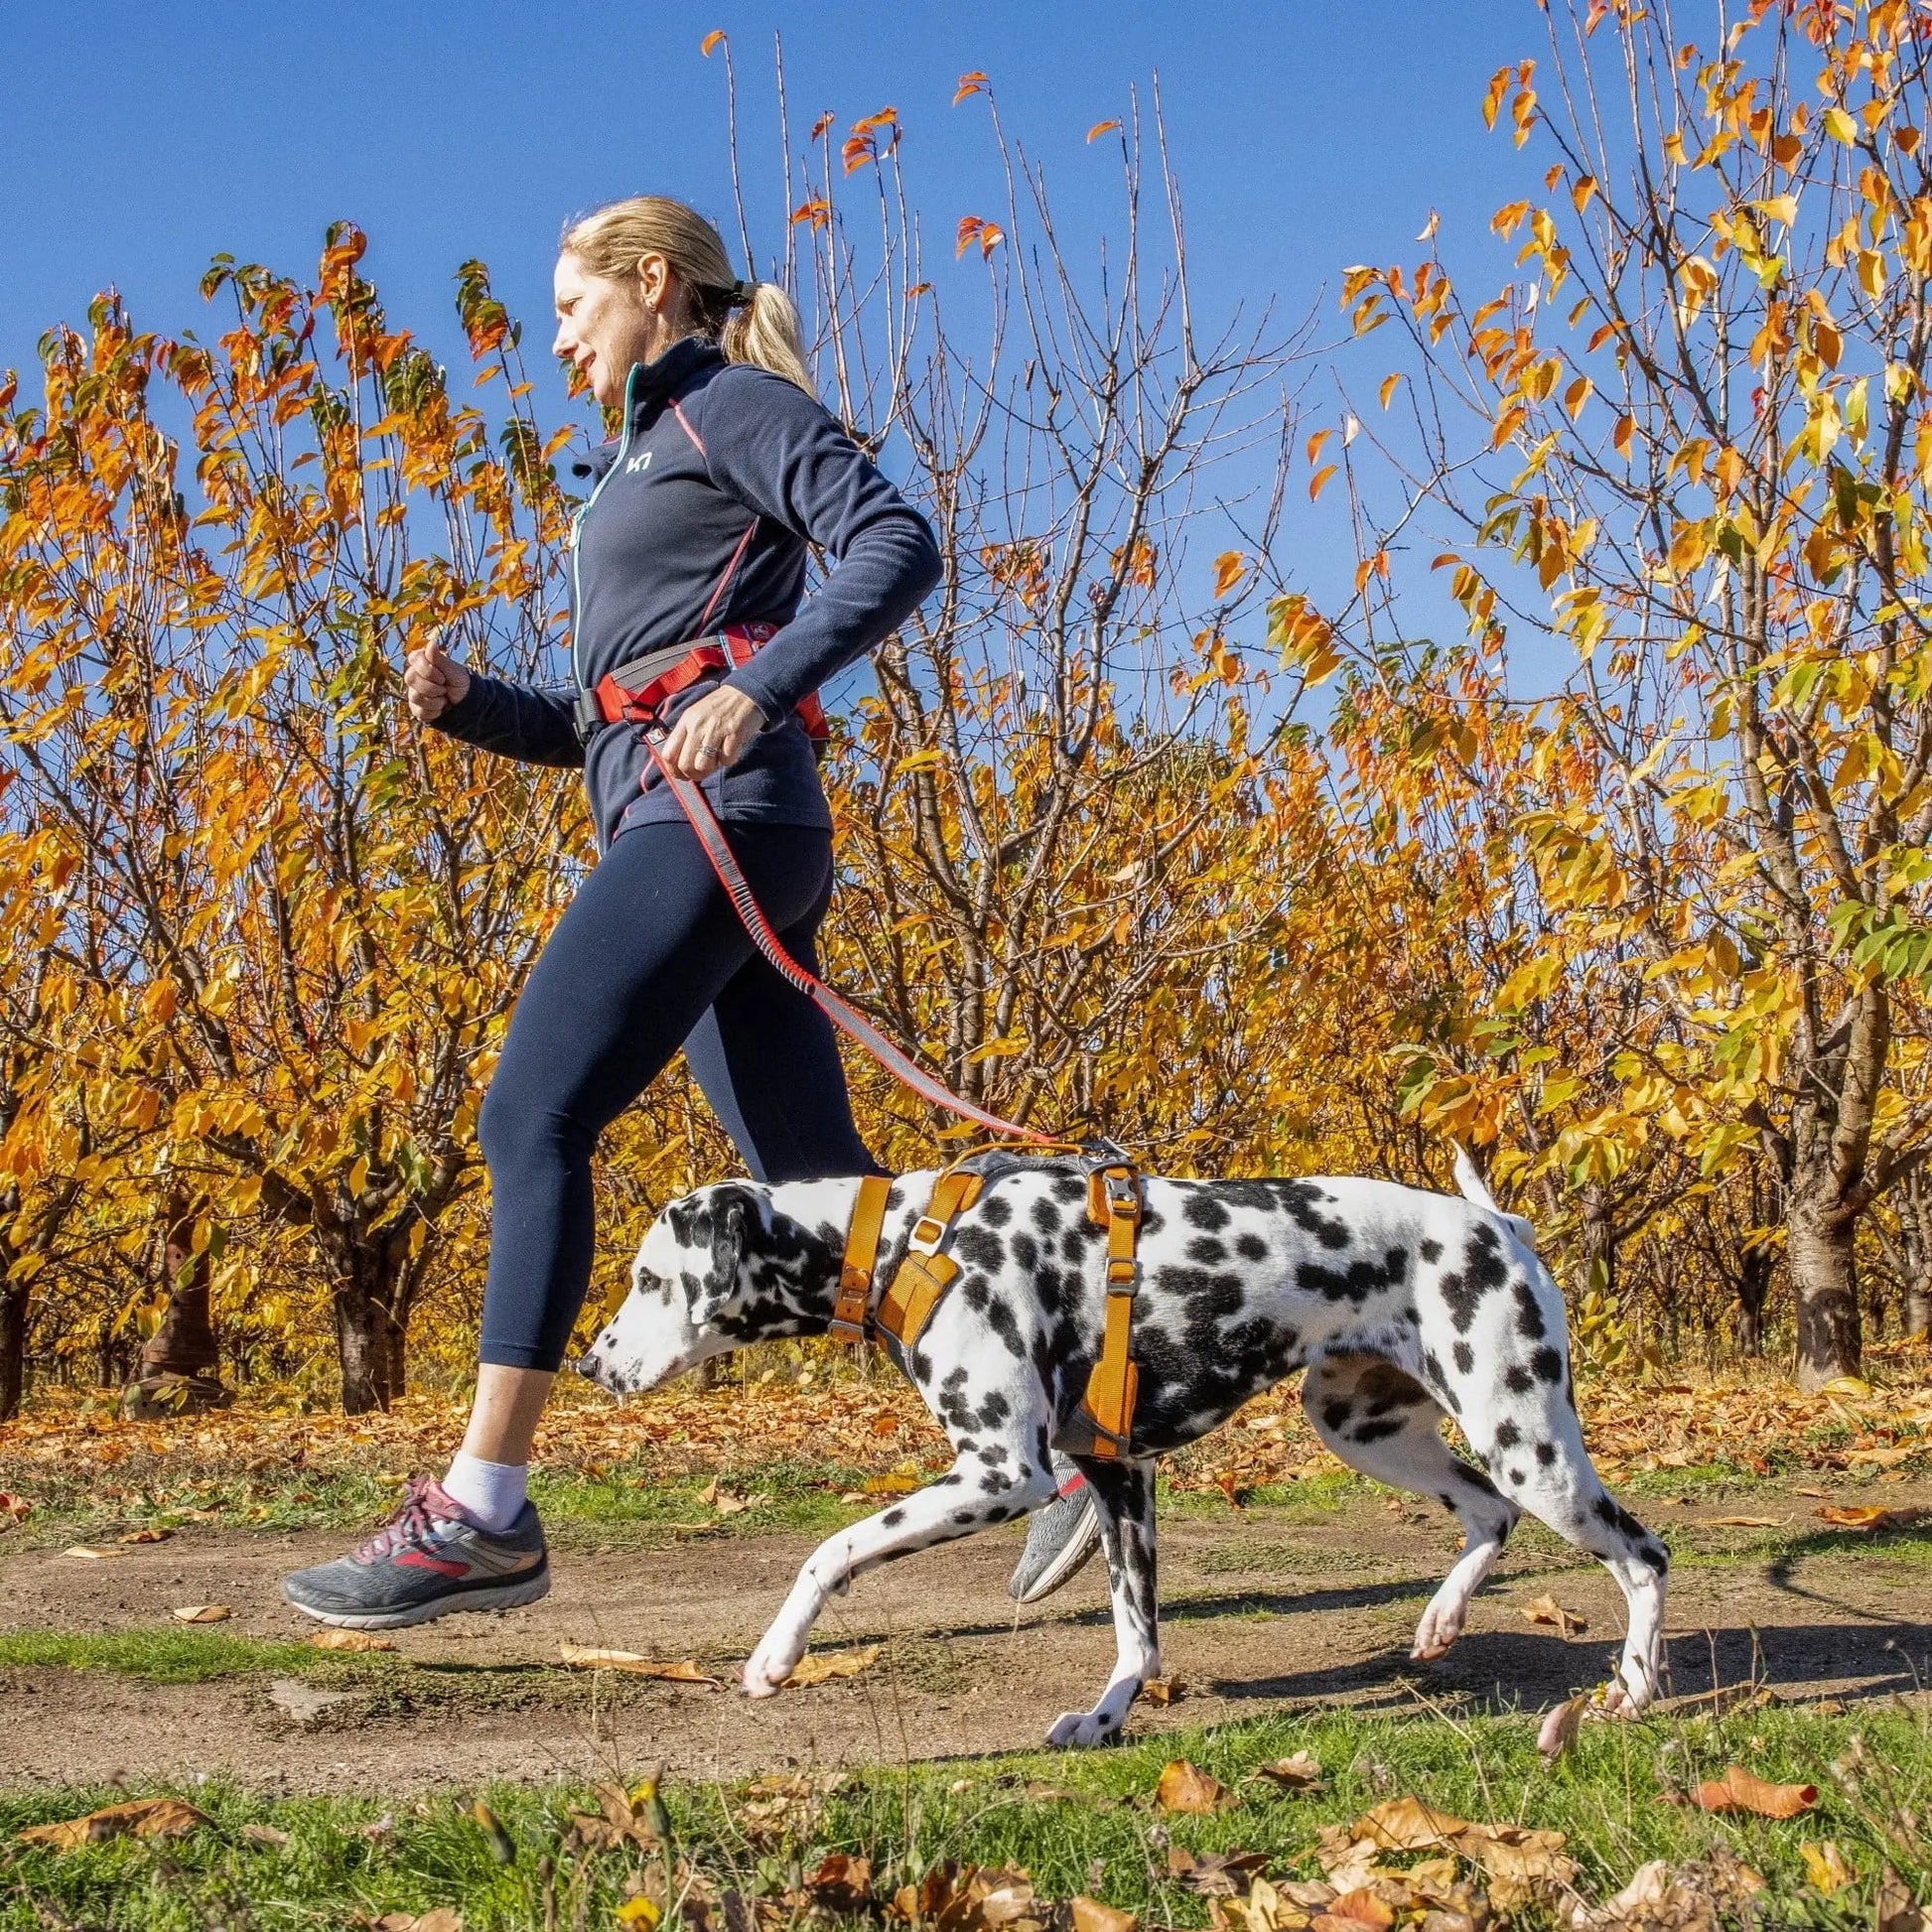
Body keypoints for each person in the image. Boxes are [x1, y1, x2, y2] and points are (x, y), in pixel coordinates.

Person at [282, 195, 1096, 1629]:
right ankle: (1068, 1441)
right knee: (821, 1191)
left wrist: (762, 684)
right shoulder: (639, 460)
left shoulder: (731, 406)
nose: (555, 341)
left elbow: (894, 542)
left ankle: (481, 1511)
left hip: (720, 822)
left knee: (527, 1117)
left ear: (652, 285)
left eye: (571, 307)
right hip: (698, 816)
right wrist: (477, 707)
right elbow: (615, 720)